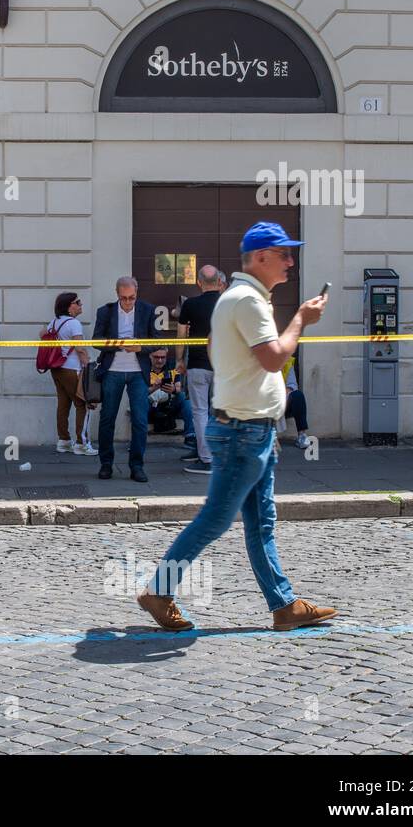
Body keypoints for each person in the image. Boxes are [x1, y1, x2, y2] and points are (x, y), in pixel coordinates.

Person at [138, 221, 337, 634]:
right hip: (244, 432)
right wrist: (301, 319)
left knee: (261, 522)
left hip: (252, 430)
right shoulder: (247, 301)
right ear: (261, 257)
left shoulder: (236, 298)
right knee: (214, 519)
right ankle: (159, 590)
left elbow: (215, 348)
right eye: (283, 253)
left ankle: (283, 604)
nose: (290, 260)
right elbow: (272, 358)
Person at [92, 276, 158, 483]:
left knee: (140, 420)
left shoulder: (147, 310)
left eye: (132, 298)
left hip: (138, 371)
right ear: (117, 294)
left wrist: (140, 347)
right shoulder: (105, 311)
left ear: (137, 294)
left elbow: (158, 339)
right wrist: (117, 344)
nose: (128, 302)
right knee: (107, 418)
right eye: (124, 298)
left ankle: (137, 466)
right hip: (113, 369)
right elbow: (95, 340)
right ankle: (106, 464)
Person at [176, 265, 226, 474]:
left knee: (200, 412)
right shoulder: (228, 304)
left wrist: (179, 359)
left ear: (199, 282)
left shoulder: (190, 305)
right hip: (224, 366)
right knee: (221, 412)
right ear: (218, 282)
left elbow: (181, 336)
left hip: (198, 365)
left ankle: (206, 459)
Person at [42, 291, 96, 457]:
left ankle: (64, 441)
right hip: (72, 369)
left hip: (56, 368)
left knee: (63, 403)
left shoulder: (53, 323)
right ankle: (81, 443)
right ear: (68, 307)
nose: (80, 305)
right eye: (77, 302)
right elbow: (80, 348)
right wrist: (88, 367)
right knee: (82, 404)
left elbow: (42, 335)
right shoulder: (74, 324)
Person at [147, 348, 188, 435]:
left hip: (169, 404)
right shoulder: (144, 369)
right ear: (150, 356)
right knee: (140, 400)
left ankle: (190, 434)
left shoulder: (172, 368)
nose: (160, 360)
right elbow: (139, 393)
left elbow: (179, 388)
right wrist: (154, 388)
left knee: (184, 397)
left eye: (163, 357)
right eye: (156, 357)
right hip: (150, 406)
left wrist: (173, 389)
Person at [282, 356, 312, 450]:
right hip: (264, 403)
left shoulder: (287, 361)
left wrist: (282, 400)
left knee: (298, 396)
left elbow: (292, 385)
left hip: (282, 400)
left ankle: (302, 436)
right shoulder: (261, 358)